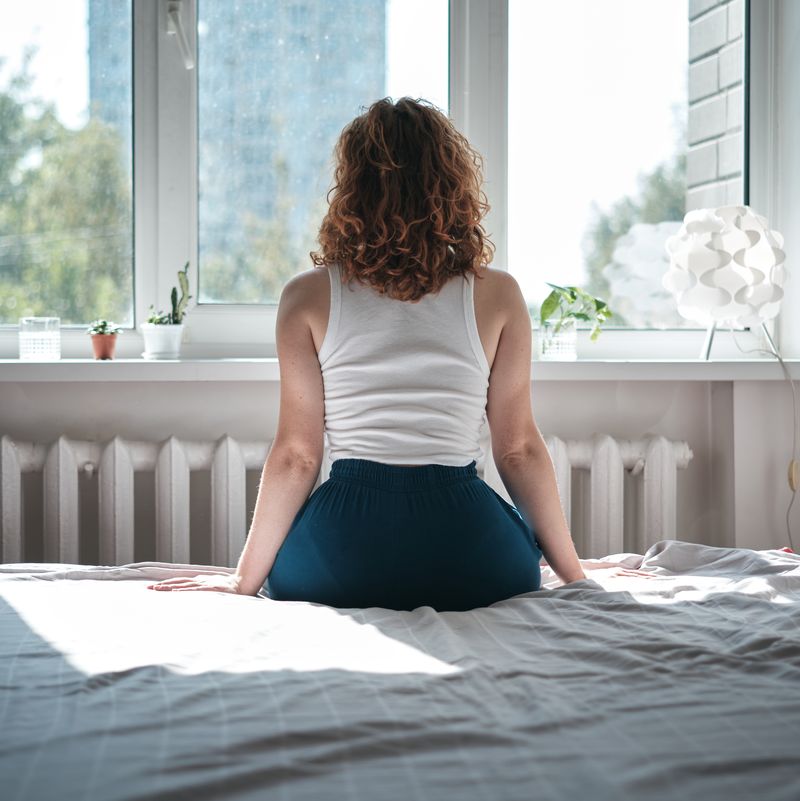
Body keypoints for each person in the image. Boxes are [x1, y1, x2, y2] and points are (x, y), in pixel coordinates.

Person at [147, 97, 651, 609]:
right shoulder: (499, 295)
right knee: (510, 547)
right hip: (472, 559)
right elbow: (516, 449)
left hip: (339, 561)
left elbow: (297, 457)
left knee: (298, 560)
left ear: (351, 190)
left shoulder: (306, 296)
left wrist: (242, 582)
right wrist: (574, 575)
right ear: (453, 186)